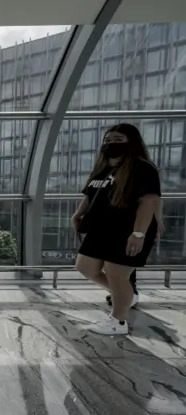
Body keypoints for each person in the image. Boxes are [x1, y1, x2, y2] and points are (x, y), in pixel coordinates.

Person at [73, 123, 161, 336]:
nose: (111, 144)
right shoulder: (103, 168)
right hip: (101, 228)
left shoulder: (142, 168)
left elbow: (149, 201)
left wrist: (138, 234)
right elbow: (90, 194)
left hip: (127, 229)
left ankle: (118, 321)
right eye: (108, 140)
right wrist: (77, 214)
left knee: (116, 274)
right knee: (85, 267)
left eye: (119, 140)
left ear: (132, 143)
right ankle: (126, 295)